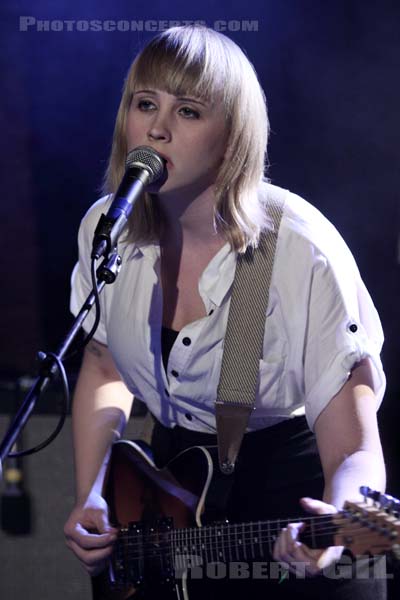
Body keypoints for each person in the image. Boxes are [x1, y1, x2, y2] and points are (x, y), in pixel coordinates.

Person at [64, 25, 387, 599]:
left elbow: (357, 448)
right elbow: (103, 364)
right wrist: (93, 492)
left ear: (233, 135)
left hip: (294, 502)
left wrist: (336, 523)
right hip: (165, 506)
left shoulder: (299, 252)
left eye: (188, 111)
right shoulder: (106, 229)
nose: (157, 128)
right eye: (145, 104)